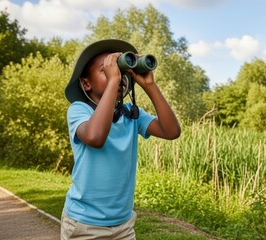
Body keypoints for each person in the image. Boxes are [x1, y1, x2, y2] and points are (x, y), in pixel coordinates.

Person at [61, 39, 181, 239]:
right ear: (86, 83)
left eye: (121, 72)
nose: (117, 76)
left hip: (123, 225)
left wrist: (149, 85)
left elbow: (171, 131)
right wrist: (113, 80)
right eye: (105, 70)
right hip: (84, 224)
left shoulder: (131, 114)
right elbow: (95, 136)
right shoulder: (79, 110)